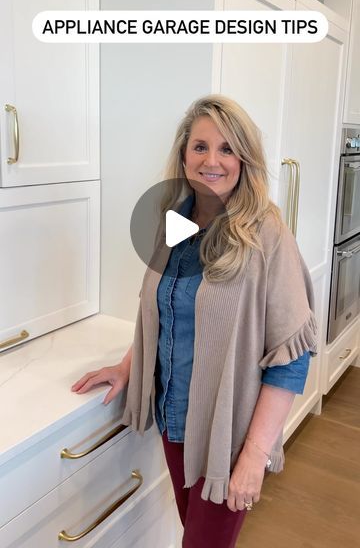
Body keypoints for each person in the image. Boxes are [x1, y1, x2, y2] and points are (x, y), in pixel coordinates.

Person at [72, 95, 317, 548]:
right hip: (176, 421)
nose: (212, 160)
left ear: (244, 159)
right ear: (184, 154)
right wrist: (128, 366)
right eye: (200, 146)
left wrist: (253, 457)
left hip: (228, 434)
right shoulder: (177, 221)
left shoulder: (266, 234)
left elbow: (291, 356)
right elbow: (166, 310)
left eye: (227, 149)